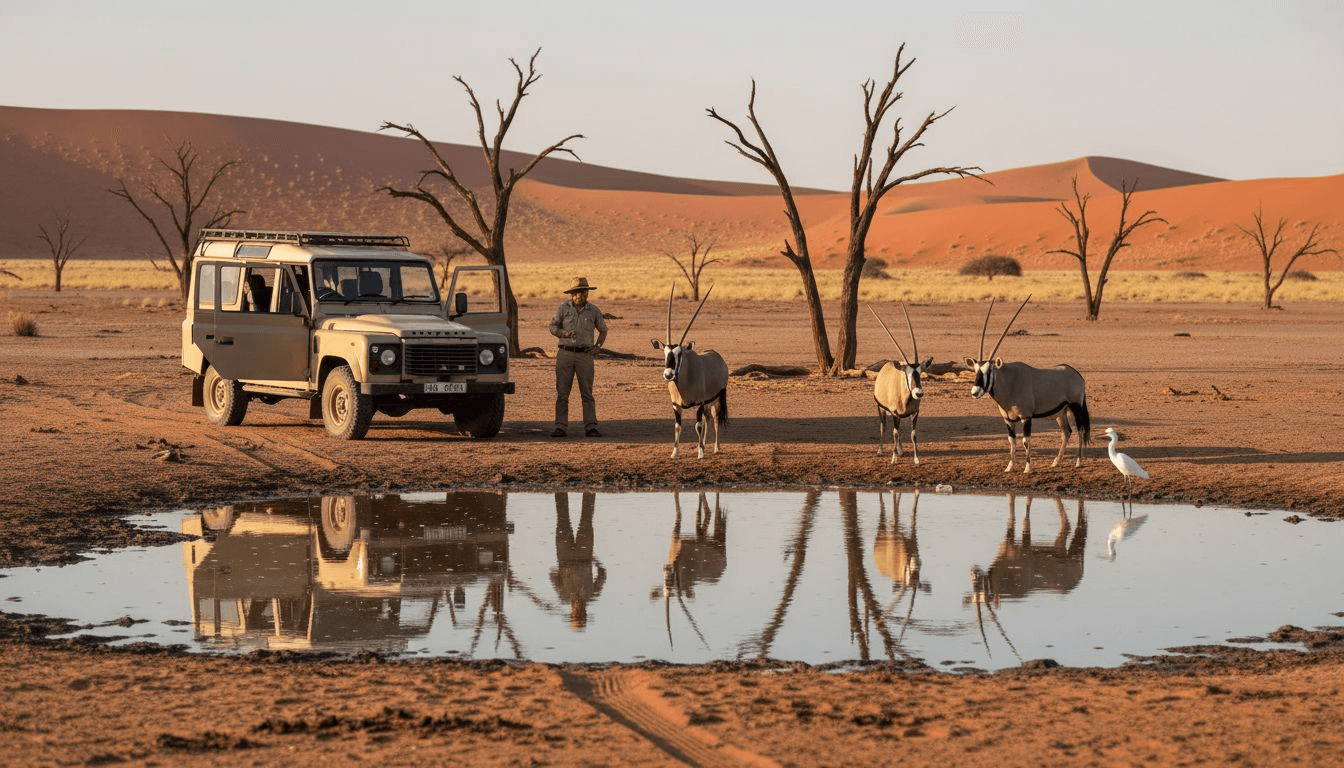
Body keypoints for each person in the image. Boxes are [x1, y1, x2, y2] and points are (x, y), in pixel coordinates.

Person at [548, 276, 608, 438]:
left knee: (587, 393)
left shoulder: (594, 311)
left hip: (585, 356)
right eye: (576, 292)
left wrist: (598, 347)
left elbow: (603, 330)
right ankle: (560, 427)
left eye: (583, 292)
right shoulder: (563, 308)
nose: (579, 295)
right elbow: (552, 327)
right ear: (571, 294)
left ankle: (591, 427)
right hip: (564, 354)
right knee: (562, 393)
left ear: (587, 293)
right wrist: (564, 333)